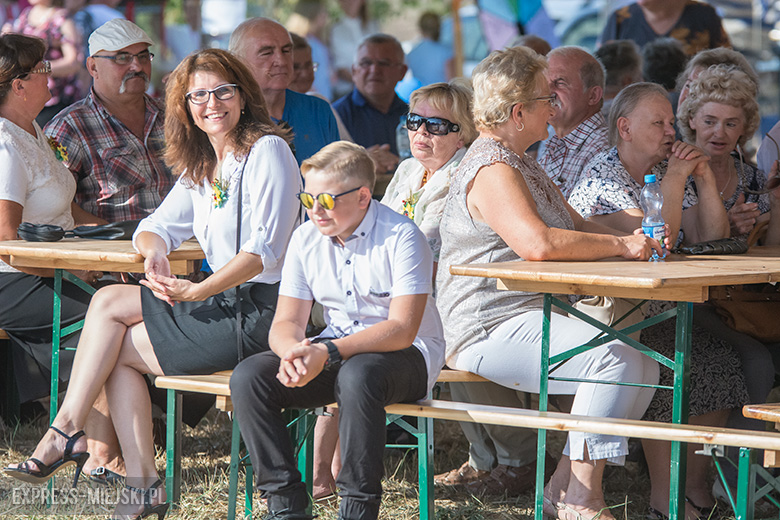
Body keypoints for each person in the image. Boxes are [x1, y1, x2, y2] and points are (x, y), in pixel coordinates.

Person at [4, 48, 302, 520]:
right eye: (198, 94)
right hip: (226, 301)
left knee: (110, 338)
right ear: (184, 105)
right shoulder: (205, 162)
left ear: (242, 95)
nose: (212, 103)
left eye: (222, 91)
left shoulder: (267, 151)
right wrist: (157, 250)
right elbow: (156, 224)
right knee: (108, 321)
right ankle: (127, 475)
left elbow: (262, 253)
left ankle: (72, 438)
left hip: (266, 308)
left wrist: (197, 291)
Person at [436, 46, 661, 520]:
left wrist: (636, 234)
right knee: (613, 359)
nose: (553, 108)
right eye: (546, 99)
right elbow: (537, 243)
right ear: (519, 112)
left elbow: (578, 225)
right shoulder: (493, 166)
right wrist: (623, 247)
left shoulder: (521, 160)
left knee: (646, 368)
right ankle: (582, 497)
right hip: (484, 324)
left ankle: (563, 486)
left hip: (524, 313)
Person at [230, 141, 446, 520]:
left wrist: (325, 353)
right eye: (307, 197)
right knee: (249, 376)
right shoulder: (304, 238)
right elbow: (286, 323)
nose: (314, 210)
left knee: (358, 375)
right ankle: (285, 505)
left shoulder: (402, 236)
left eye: (326, 200)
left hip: (408, 356)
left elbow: (402, 329)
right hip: (335, 350)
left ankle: (358, 509)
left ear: (363, 197)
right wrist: (292, 354)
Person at [567, 82, 750, 519]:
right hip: (607, 318)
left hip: (657, 310)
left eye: (672, 122)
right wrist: (675, 177)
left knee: (722, 361)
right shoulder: (601, 175)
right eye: (659, 123)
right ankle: (666, 502)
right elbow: (656, 241)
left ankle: (693, 491)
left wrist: (703, 177)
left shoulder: (668, 171)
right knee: (683, 366)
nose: (672, 131)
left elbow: (710, 237)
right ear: (625, 128)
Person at [0, 32, 120, 482]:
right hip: (10, 278)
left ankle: (90, 447)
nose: (52, 76)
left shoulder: (34, 131)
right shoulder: (5, 145)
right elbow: (6, 240)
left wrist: (125, 241)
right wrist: (73, 265)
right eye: (43, 69)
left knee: (123, 303)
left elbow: (69, 212)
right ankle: (100, 454)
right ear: (17, 84)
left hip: (52, 265)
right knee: (106, 319)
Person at [677, 64, 780, 504]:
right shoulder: (673, 170)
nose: (719, 132)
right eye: (710, 120)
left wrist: (773, 206)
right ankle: (732, 481)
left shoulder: (754, 178)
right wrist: (731, 237)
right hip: (688, 301)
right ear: (692, 121)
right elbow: (687, 246)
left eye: (731, 123)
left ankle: (747, 474)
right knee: (755, 360)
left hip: (743, 300)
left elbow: (771, 251)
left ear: (744, 129)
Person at [44, 19, 174, 223]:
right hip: (114, 250)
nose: (137, 66)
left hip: (183, 245)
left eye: (143, 56)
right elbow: (52, 203)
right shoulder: (69, 128)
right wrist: (112, 235)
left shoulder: (172, 116)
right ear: (93, 67)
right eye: (122, 58)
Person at [229, 17, 339, 165]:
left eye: (286, 50)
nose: (281, 61)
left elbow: (338, 177)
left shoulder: (318, 111)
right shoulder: (227, 118)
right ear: (237, 61)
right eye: (267, 53)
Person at [333, 33, 408, 181]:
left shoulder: (414, 116)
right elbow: (323, 170)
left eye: (384, 63)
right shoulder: (335, 116)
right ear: (354, 71)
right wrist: (361, 161)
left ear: (402, 72)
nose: (374, 70)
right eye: (366, 63)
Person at [537, 47, 609, 198]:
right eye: (545, 83)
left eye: (560, 83)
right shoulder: (553, 138)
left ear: (593, 96)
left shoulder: (603, 150)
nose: (547, 93)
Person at [3, 0, 84, 125]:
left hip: (57, 98)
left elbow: (73, 62)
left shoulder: (61, 18)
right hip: (29, 98)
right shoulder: (26, 14)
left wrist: (38, 69)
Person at [599, 0, 730, 57]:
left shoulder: (705, 15)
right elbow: (602, 74)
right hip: (634, 111)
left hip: (692, 109)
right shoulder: (620, 19)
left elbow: (728, 67)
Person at [289, 32, 352, 142]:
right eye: (296, 67)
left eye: (308, 65)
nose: (304, 74)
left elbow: (348, 149)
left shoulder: (319, 104)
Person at [329, 0, 378, 99]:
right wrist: (359, 82)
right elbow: (338, 65)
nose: (348, 2)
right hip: (346, 92)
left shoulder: (373, 26)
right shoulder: (335, 29)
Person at [286, 0, 332, 100]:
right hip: (312, 99)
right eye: (321, 12)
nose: (325, 15)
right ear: (311, 14)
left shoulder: (318, 40)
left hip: (323, 97)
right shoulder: (302, 44)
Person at [593, 40, 642, 118]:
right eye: (640, 74)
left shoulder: (582, 112)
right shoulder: (635, 116)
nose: (643, 80)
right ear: (628, 82)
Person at [406, 11, 453, 87]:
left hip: (421, 96)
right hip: (441, 96)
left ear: (420, 28)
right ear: (439, 27)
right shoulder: (446, 52)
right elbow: (452, 82)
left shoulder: (412, 53)